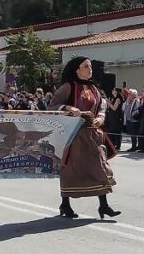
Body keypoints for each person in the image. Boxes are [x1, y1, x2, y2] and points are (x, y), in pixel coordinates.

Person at [49, 56, 119, 220]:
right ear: (77, 69)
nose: (90, 69)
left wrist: (100, 118)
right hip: (73, 135)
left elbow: (102, 107)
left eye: (90, 66)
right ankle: (65, 204)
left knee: (100, 167)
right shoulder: (68, 87)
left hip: (93, 134)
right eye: (86, 66)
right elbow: (52, 106)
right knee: (71, 169)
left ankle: (104, 206)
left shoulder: (95, 89)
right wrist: (68, 108)